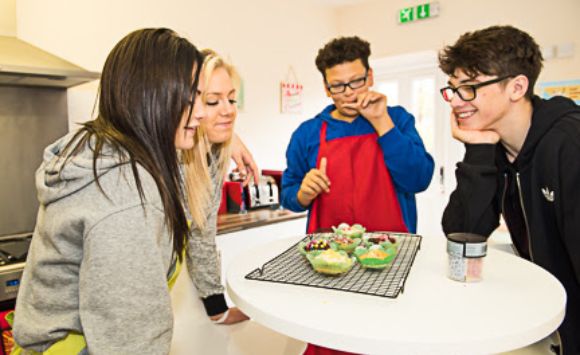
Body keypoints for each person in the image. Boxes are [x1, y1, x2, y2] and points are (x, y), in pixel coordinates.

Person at [12, 28, 205, 354]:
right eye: (190, 97)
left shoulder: (97, 152)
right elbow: (128, 340)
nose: (200, 111)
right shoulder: (127, 193)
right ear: (151, 95)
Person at [281, 36, 434, 355]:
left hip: (391, 259)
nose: (349, 92)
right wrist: (304, 193)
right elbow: (288, 195)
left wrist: (382, 123)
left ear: (371, 76)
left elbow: (419, 178)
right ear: (326, 87)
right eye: (338, 86)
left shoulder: (398, 119)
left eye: (356, 81)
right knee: (331, 340)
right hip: (328, 263)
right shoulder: (308, 133)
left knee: (389, 340)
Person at [439, 25, 580, 355]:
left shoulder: (570, 144)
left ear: (517, 87)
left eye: (470, 88)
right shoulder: (496, 148)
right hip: (548, 324)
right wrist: (477, 151)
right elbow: (462, 235)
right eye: (453, 89)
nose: (457, 101)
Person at [181, 49, 249, 325]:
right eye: (213, 101)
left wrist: (216, 308)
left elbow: (202, 237)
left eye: (232, 99)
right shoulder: (167, 162)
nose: (229, 110)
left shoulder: (211, 161)